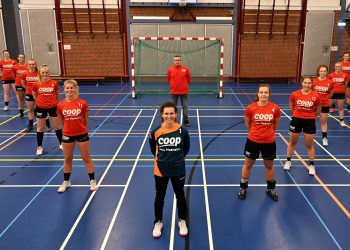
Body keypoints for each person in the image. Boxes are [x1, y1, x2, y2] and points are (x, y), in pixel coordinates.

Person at [149, 101, 190, 238]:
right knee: (160, 196)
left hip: (178, 169)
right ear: (162, 114)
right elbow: (153, 150)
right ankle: (158, 221)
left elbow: (186, 149)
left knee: (180, 196)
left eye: (171, 113)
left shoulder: (183, 131)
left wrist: (175, 158)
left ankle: (182, 220)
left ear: (176, 114)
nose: (169, 116)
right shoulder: (155, 132)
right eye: (166, 113)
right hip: (160, 170)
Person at [238, 84, 281, 201]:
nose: (263, 94)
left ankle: (270, 188)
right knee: (248, 164)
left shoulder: (275, 108)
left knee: (269, 165)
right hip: (253, 141)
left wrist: (268, 133)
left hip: (269, 142)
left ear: (269, 94)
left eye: (266, 92)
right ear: (257, 94)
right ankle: (243, 187)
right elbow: (248, 124)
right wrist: (256, 133)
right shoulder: (250, 108)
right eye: (261, 92)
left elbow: (276, 124)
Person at [56, 79, 97, 193]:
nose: (69, 90)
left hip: (81, 134)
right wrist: (67, 128)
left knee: (86, 158)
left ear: (75, 89)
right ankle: (66, 181)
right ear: (64, 89)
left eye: (71, 88)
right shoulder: (61, 104)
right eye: (67, 88)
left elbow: (86, 118)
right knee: (67, 159)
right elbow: (61, 119)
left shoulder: (82, 103)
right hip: (67, 135)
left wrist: (82, 128)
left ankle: (92, 180)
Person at [284, 77, 321, 176]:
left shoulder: (316, 96)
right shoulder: (294, 94)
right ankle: (288, 161)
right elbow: (291, 105)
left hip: (309, 121)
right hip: (296, 120)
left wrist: (311, 116)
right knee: (292, 142)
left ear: (312, 84)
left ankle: (311, 165)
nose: (307, 85)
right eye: (305, 82)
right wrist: (296, 114)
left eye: (309, 83)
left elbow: (317, 109)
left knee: (309, 144)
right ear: (302, 83)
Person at [32, 64, 62, 155]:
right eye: (43, 73)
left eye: (46, 73)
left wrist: (53, 102)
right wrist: (39, 102)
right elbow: (34, 94)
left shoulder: (54, 83)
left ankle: (61, 143)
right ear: (40, 73)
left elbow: (57, 93)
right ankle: (39, 147)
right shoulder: (36, 83)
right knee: (40, 128)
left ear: (49, 73)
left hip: (53, 107)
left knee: (57, 126)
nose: (45, 74)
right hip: (41, 107)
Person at [312, 65, 333, 146]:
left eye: (324, 71)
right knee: (312, 120)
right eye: (321, 71)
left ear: (327, 72)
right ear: (318, 72)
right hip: (314, 104)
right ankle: (311, 135)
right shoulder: (314, 81)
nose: (323, 73)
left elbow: (331, 93)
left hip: (324, 104)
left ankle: (324, 138)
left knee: (323, 121)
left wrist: (324, 98)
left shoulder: (330, 82)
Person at [167, 55, 191, 126]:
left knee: (185, 106)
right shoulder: (170, 70)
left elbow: (189, 79)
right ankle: (173, 120)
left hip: (183, 92)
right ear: (174, 61)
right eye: (176, 60)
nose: (177, 61)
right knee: (173, 107)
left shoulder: (186, 69)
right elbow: (169, 79)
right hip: (174, 92)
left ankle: (186, 120)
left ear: (181, 61)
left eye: (178, 60)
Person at [21, 59, 39, 132]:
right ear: (28, 65)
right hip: (29, 94)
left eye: (33, 64)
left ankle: (44, 124)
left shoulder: (39, 73)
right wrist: (29, 90)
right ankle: (30, 124)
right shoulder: (25, 74)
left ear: (35, 65)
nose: (31, 66)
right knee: (31, 110)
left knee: (39, 109)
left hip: (38, 94)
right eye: (30, 64)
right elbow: (23, 84)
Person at [328, 62, 348, 127]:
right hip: (332, 94)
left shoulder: (345, 75)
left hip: (341, 94)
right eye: (336, 66)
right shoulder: (331, 75)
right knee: (326, 107)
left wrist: (342, 90)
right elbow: (328, 84)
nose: (337, 68)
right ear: (335, 67)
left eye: (339, 66)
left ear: (341, 67)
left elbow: (346, 84)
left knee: (341, 108)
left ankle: (342, 121)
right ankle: (323, 120)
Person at [13, 54, 28, 118]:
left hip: (27, 85)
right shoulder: (15, 66)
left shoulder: (27, 66)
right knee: (21, 99)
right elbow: (13, 75)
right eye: (20, 57)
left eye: (22, 57)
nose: (21, 59)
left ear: (24, 58)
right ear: (18, 58)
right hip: (19, 85)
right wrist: (17, 80)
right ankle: (21, 113)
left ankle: (34, 111)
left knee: (31, 100)